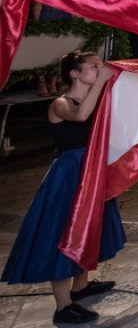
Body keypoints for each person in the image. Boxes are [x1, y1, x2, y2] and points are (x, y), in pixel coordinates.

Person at [2, 52, 125, 325]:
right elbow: (80, 116)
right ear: (74, 74)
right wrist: (102, 83)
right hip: (68, 175)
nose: (100, 70)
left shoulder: (95, 101)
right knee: (63, 232)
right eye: (94, 67)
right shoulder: (60, 103)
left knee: (87, 228)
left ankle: (81, 286)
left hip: (90, 171)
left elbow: (118, 128)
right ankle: (63, 306)